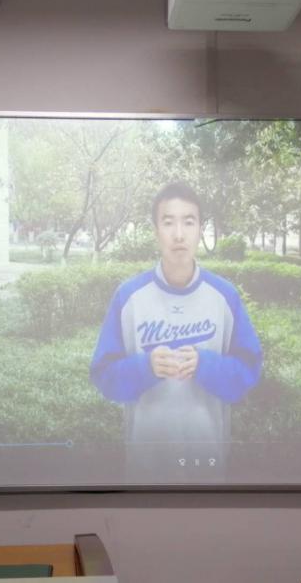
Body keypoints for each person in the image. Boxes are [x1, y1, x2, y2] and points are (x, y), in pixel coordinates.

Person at [90, 183, 262, 480]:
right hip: (145, 466)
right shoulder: (128, 296)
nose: (179, 234)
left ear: (200, 229)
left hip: (207, 464)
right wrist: (145, 367)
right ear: (156, 230)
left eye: (189, 222)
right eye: (168, 222)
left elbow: (249, 373)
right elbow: (104, 376)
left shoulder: (225, 296)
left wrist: (205, 365)